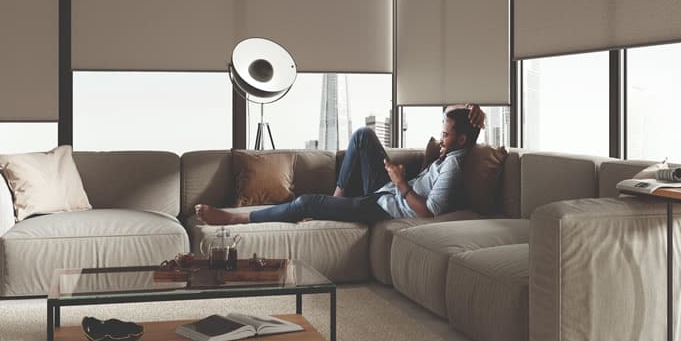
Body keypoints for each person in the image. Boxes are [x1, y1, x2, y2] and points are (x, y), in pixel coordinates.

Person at [194, 104, 486, 225]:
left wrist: (401, 184)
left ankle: (237, 219)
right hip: (386, 190)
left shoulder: (454, 167)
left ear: (461, 139)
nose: (441, 138)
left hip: (385, 208)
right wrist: (473, 109)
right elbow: (465, 123)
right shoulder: (453, 150)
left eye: (446, 134)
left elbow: (431, 211)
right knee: (363, 136)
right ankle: (337, 202)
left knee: (306, 201)